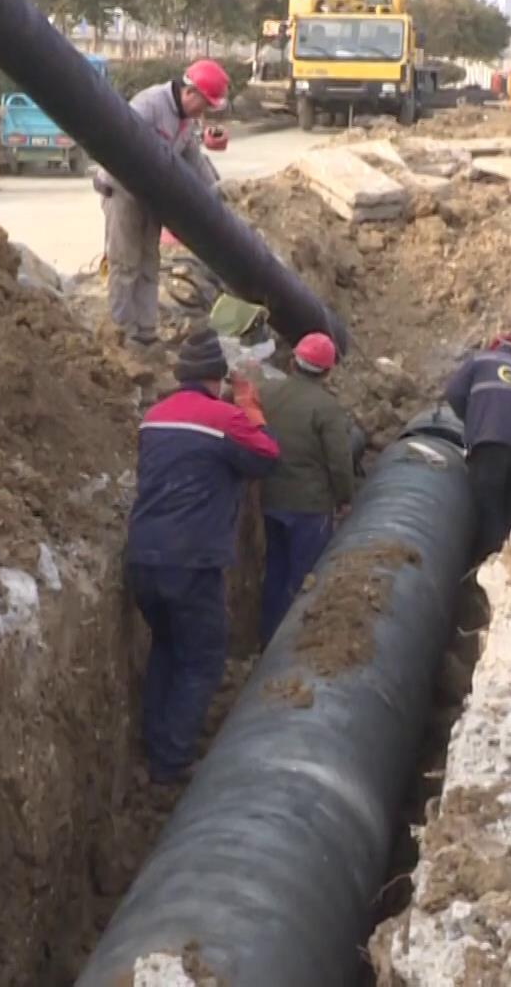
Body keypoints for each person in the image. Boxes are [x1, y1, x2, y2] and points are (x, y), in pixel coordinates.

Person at [125, 328, 279, 784]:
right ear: (217, 378)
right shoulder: (222, 419)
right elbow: (268, 457)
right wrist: (249, 406)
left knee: (167, 648)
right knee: (202, 658)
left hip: (143, 555)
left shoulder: (154, 416)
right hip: (190, 560)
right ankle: (170, 763)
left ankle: (154, 745)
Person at [94, 59, 231, 350]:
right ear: (189, 92)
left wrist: (216, 194)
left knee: (148, 263)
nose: (203, 111)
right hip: (122, 191)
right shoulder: (150, 104)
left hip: (151, 197)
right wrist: (110, 178)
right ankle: (122, 333)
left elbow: (193, 158)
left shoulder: (185, 120)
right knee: (125, 263)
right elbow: (118, 138)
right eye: (203, 104)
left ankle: (145, 330)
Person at [257, 332, 356, 646]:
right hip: (309, 506)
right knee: (305, 577)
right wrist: (345, 498)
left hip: (270, 499)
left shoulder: (267, 393)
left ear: (292, 361)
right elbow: (340, 461)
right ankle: (293, 648)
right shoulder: (326, 408)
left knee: (275, 570)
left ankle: (268, 641)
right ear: (327, 372)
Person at [443, 333, 511, 566]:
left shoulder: (481, 361)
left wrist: (473, 421)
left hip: (490, 446)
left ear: (495, 348)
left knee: (486, 509)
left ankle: (484, 574)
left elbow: (454, 393)